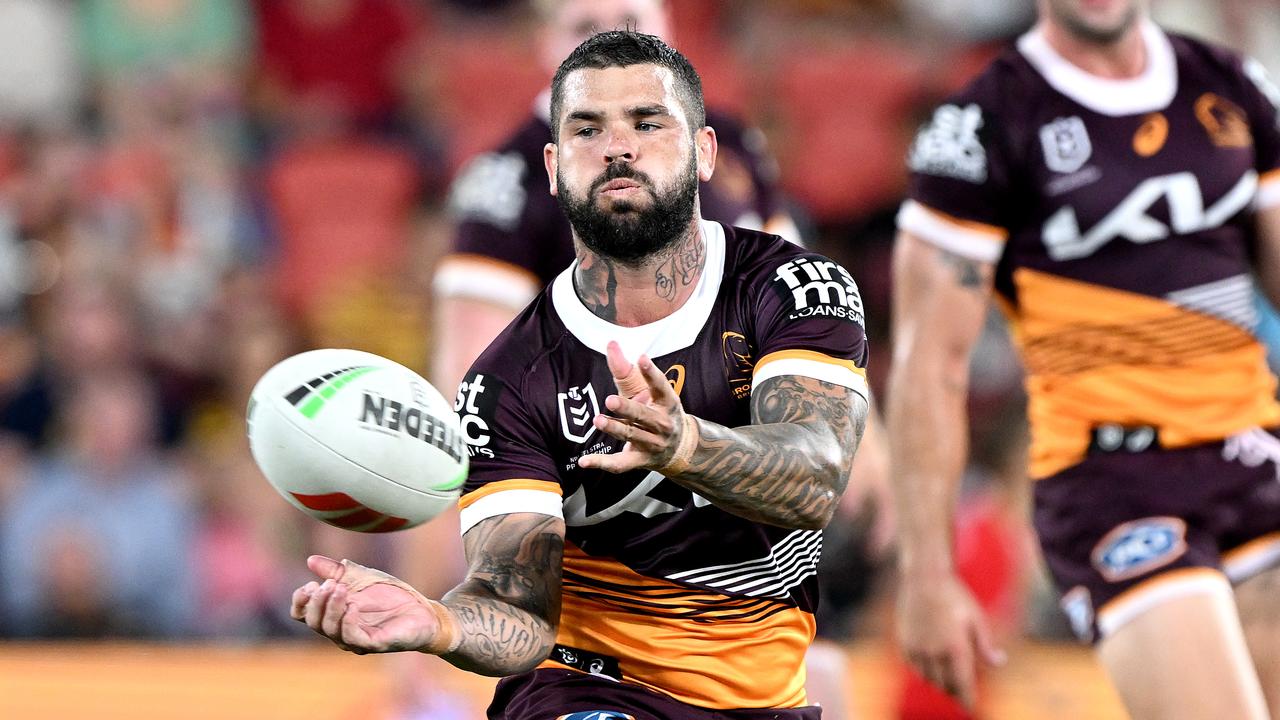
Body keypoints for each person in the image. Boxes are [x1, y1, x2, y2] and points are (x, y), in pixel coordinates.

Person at [292, 30, 870, 718]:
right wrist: (437, 623)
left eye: (647, 123)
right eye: (587, 129)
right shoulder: (508, 381)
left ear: (706, 152)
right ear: (553, 166)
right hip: (589, 688)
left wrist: (683, 447)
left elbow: (815, 476)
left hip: (761, 701)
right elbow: (520, 610)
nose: (617, 147)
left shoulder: (791, 287)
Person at [887, 1, 1280, 718]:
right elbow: (929, 366)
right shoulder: (985, 123)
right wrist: (927, 574)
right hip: (1116, 486)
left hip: (1255, 455)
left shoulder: (1227, 84)